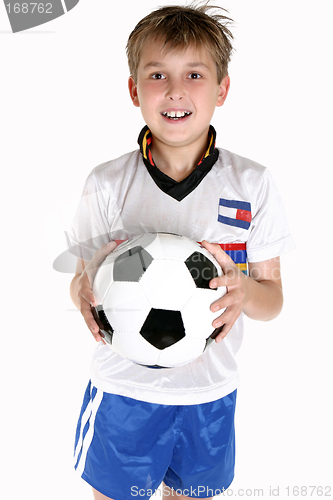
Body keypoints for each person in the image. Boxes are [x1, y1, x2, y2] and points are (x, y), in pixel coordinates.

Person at [69, 3, 294, 500]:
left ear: (222, 89)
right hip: (124, 392)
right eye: (157, 74)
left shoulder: (252, 183)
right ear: (134, 89)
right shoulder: (106, 184)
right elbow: (80, 282)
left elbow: (273, 299)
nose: (175, 90)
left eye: (194, 73)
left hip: (209, 395)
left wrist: (244, 292)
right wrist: (80, 287)